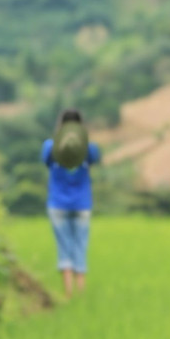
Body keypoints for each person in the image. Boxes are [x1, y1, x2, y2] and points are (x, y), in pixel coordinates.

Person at [41, 109, 102, 298]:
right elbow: (96, 159)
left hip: (57, 203)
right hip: (83, 203)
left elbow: (45, 161)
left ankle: (68, 294)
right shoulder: (89, 148)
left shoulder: (50, 147)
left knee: (64, 246)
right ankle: (81, 292)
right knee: (80, 245)